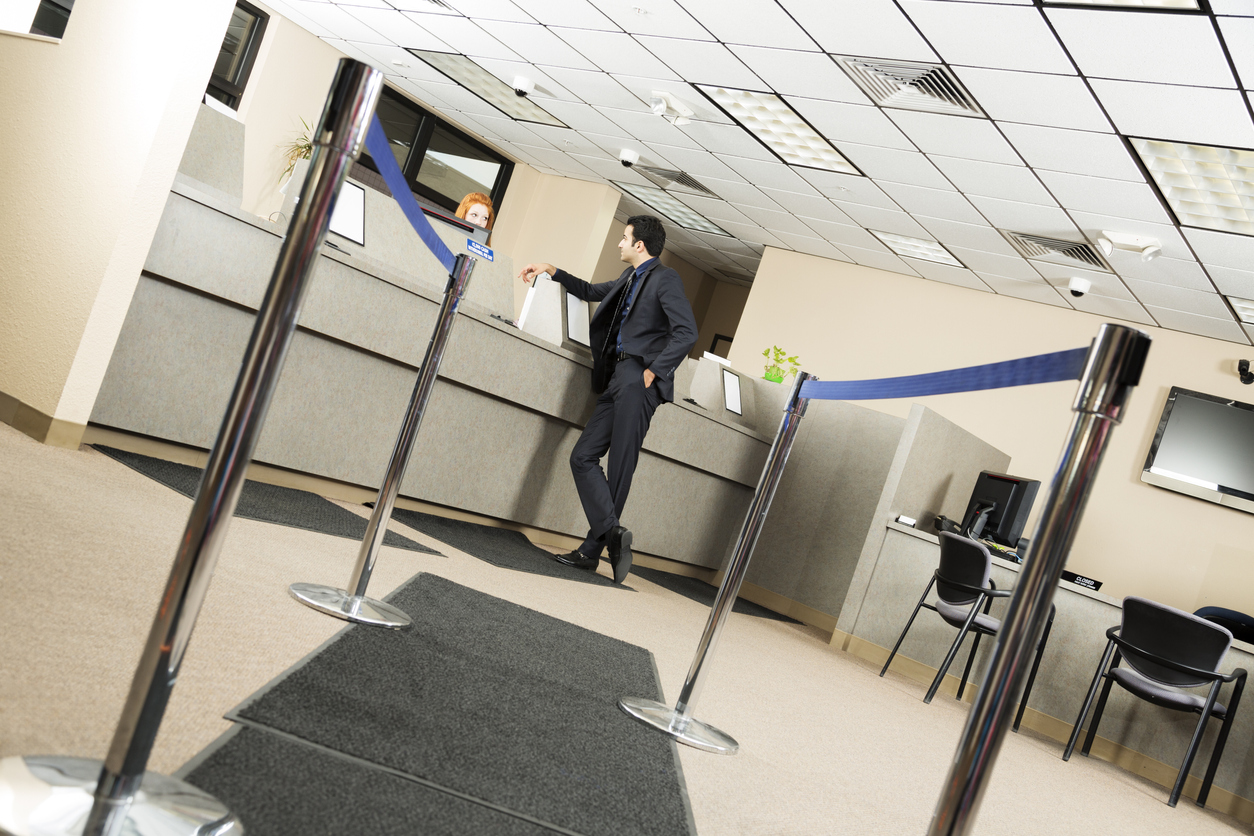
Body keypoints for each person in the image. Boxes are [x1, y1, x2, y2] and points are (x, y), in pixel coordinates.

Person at [517, 216, 698, 584]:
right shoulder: (627, 279)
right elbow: (587, 290)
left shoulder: (666, 279)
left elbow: (687, 332)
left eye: (624, 237)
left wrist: (653, 372)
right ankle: (613, 533)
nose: (619, 243)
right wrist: (550, 269)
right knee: (582, 456)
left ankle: (590, 551)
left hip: (638, 379)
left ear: (640, 246)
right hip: (616, 377)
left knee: (620, 465)